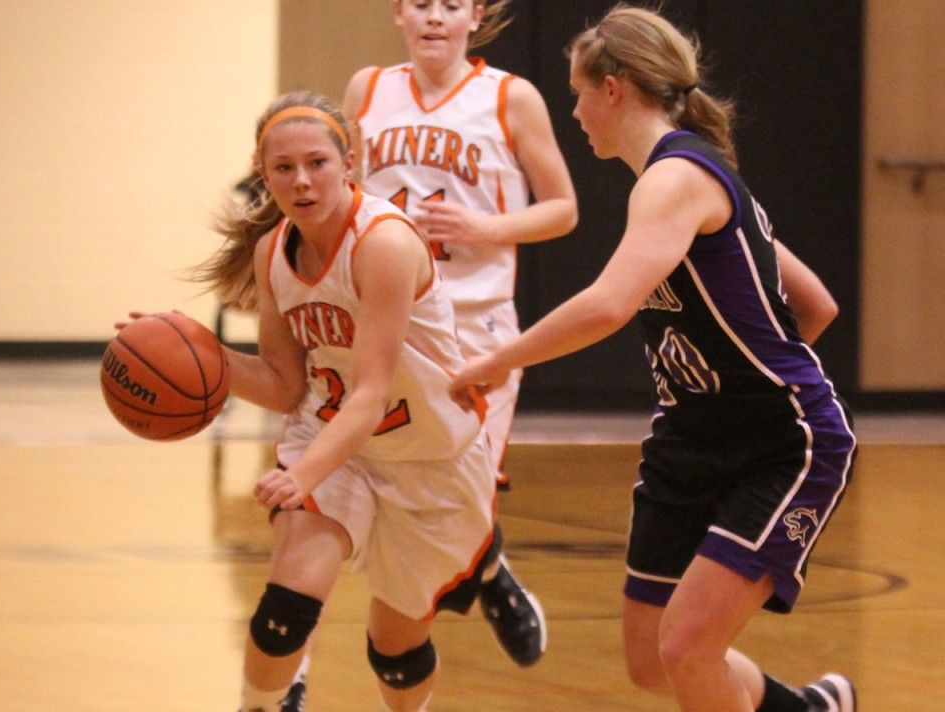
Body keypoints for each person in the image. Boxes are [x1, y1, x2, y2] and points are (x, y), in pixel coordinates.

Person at [450, 6, 857, 712]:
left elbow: (608, 305)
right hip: (690, 440)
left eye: (578, 92)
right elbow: (814, 304)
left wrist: (497, 359)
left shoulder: (675, 179)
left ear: (614, 88)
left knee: (687, 649)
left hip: (778, 445)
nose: (574, 110)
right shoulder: (693, 180)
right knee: (651, 660)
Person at [179, 90, 503, 712]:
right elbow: (285, 386)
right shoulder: (272, 251)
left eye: (317, 163)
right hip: (335, 442)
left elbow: (372, 391)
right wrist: (202, 355)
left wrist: (301, 474)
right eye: (283, 168)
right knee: (285, 611)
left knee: (396, 654)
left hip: (428, 455)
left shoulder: (382, 242)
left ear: (348, 162)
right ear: (262, 172)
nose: (301, 181)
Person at [343, 0, 578, 494]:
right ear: (398, 12)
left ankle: (482, 569)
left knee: (469, 485)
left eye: (451, 6)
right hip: (389, 316)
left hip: (475, 318)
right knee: (392, 481)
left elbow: (563, 209)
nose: (434, 17)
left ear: (475, 16)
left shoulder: (512, 97)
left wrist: (484, 228)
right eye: (421, 4)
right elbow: (345, 196)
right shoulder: (367, 88)